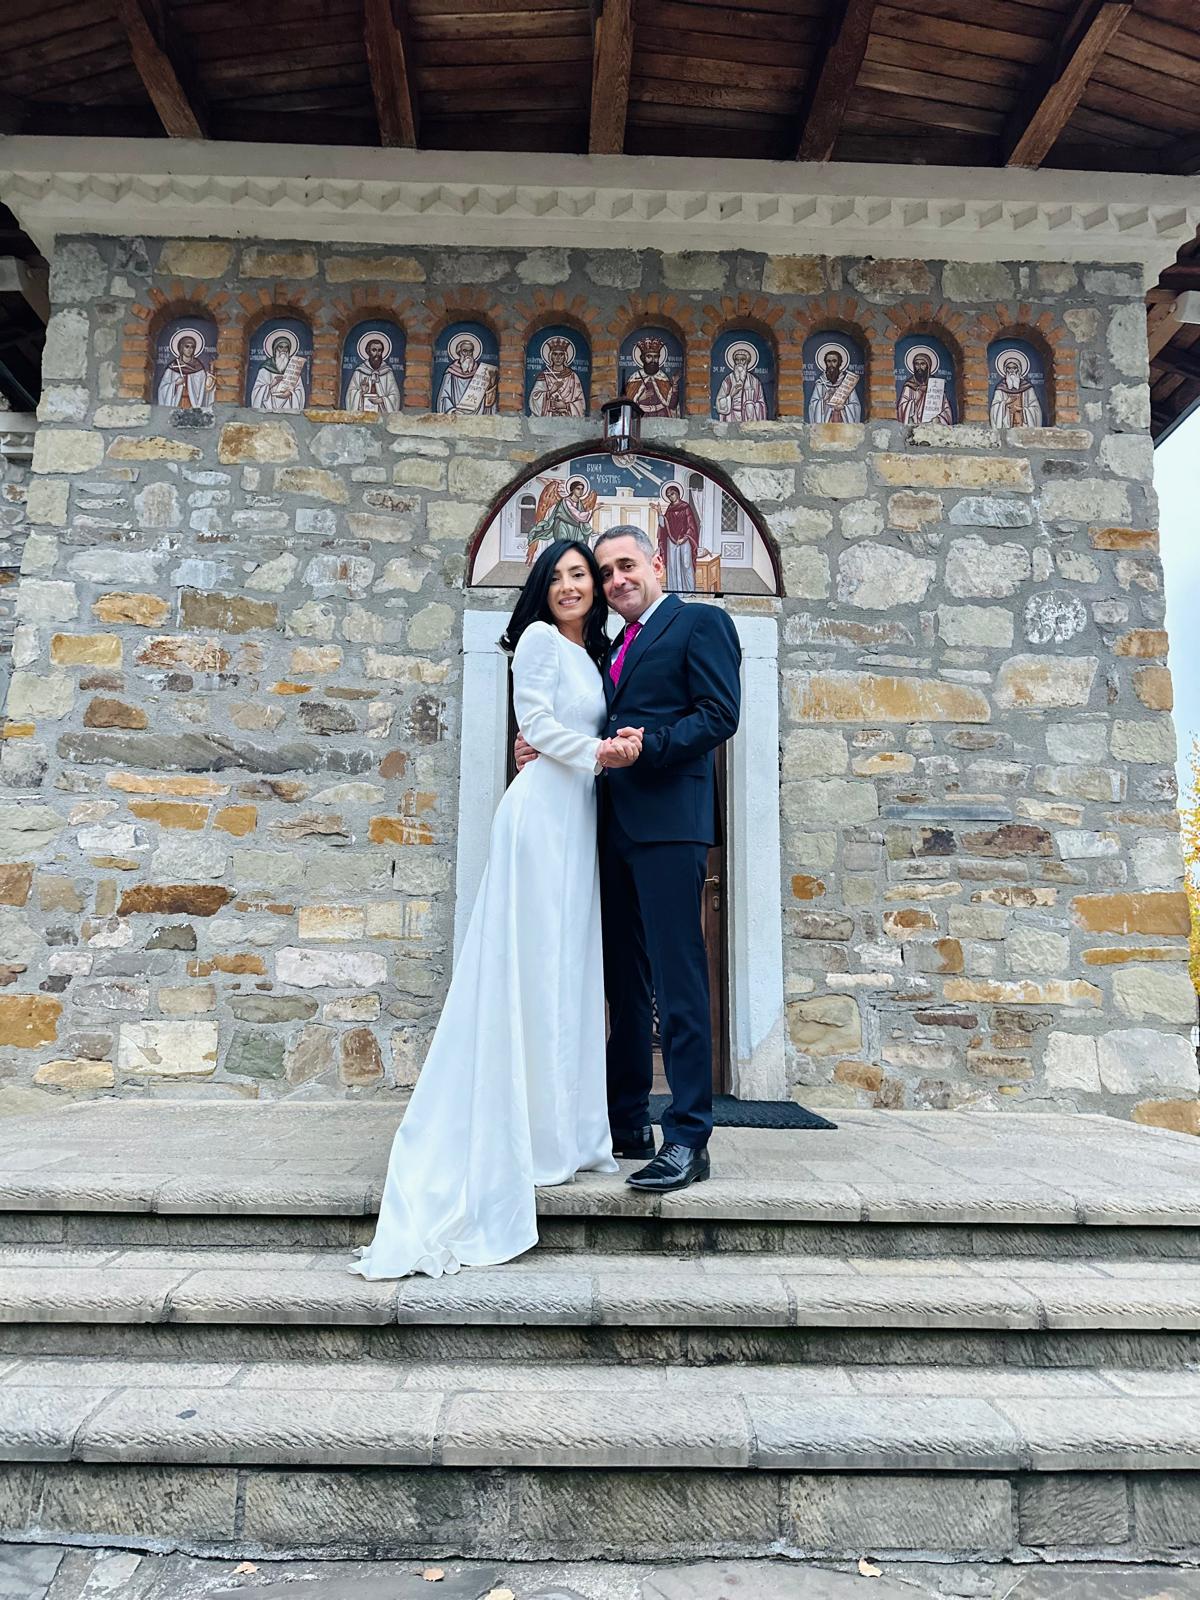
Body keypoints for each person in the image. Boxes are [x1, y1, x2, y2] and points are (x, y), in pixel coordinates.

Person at [352, 541, 644, 1280]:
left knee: (568, 971)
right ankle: (531, 1137)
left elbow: (560, 730)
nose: (572, 586)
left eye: (581, 576)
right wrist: (601, 753)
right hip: (542, 817)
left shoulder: (596, 654)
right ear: (541, 590)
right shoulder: (539, 640)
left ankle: (569, 1133)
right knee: (535, 966)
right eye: (559, 577)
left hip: (578, 820)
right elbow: (536, 725)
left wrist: (599, 753)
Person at [517, 526, 741, 1193]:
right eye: (605, 571)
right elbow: (585, 722)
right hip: (608, 827)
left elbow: (719, 714)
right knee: (622, 984)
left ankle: (688, 1136)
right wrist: (540, 746)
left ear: (656, 562)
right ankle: (626, 1120)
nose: (615, 580)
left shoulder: (699, 622)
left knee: (678, 979)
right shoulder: (609, 647)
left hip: (670, 824)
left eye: (625, 566)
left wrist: (650, 747)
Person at [436, 334, 499, 415]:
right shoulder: (451, 372)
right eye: (465, 351)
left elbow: (488, 398)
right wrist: (452, 410)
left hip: (478, 414)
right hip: (456, 414)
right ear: (459, 352)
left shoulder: (481, 371)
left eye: (470, 351)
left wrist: (491, 384)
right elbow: (444, 397)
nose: (468, 354)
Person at [657, 483, 701, 592]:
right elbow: (663, 525)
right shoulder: (670, 509)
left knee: (686, 564)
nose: (671, 497)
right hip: (671, 541)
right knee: (672, 566)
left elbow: (691, 525)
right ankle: (675, 591)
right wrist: (659, 512)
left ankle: (690, 592)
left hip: (685, 540)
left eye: (672, 494)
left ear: (677, 493)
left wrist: (684, 538)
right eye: (668, 495)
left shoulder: (685, 507)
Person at [156, 331, 216, 410]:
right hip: (177, 404)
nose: (189, 349)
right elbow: (162, 389)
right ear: (181, 348)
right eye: (187, 346)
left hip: (193, 406)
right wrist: (175, 384)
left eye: (192, 347)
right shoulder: (172, 367)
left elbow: (205, 390)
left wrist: (211, 374)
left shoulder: (199, 367)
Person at [529, 336, 586, 417]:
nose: (558, 358)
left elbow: (581, 403)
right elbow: (534, 399)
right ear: (551, 356)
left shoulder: (573, 376)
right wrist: (551, 391)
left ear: (565, 356)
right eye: (555, 354)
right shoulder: (544, 375)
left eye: (561, 354)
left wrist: (565, 406)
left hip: (569, 421)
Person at [251, 331, 307, 412]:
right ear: (275, 349)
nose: (283, 350)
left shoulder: (293, 368)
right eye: (280, 347)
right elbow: (257, 390)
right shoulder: (265, 368)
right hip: (269, 405)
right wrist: (271, 385)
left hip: (288, 405)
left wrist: (290, 393)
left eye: (286, 347)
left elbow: (299, 389)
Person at [624, 336, 679, 417]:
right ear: (643, 359)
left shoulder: (663, 378)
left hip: (662, 415)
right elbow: (627, 404)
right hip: (641, 415)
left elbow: (672, 405)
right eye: (649, 357)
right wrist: (641, 397)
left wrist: (674, 384)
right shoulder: (635, 378)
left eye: (656, 357)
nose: (653, 360)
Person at [346, 334, 402, 414]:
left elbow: (395, 396)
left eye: (380, 350)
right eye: (374, 350)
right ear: (368, 352)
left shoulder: (387, 372)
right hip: (362, 414)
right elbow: (350, 394)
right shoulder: (359, 371)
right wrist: (361, 392)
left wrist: (382, 400)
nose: (377, 353)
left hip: (383, 415)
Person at [807, 345, 862, 424]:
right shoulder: (820, 384)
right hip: (825, 426)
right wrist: (823, 400)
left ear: (839, 363)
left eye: (834, 361)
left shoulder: (847, 383)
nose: (831, 364)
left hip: (843, 425)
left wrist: (844, 407)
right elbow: (812, 406)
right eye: (828, 361)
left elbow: (856, 406)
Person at [896, 348, 952, 425]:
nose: (919, 367)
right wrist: (913, 403)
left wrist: (939, 419)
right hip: (914, 425)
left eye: (922, 364)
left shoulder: (936, 386)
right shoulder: (909, 386)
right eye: (916, 364)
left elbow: (946, 410)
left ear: (928, 366)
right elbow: (901, 408)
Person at [714, 343, 768, 423]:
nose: (739, 362)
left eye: (742, 360)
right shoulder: (728, 380)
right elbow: (719, 403)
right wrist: (731, 395)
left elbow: (761, 404)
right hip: (731, 416)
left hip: (748, 418)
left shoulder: (755, 382)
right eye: (737, 360)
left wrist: (750, 405)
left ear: (747, 362)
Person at [990, 351, 1043, 428]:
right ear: (1005, 370)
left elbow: (1036, 409)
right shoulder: (1000, 388)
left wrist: (1021, 409)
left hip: (1025, 428)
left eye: (1014, 368)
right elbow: (994, 409)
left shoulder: (1027, 388)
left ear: (1019, 369)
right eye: (1009, 368)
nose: (1011, 371)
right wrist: (1005, 403)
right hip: (1005, 429)